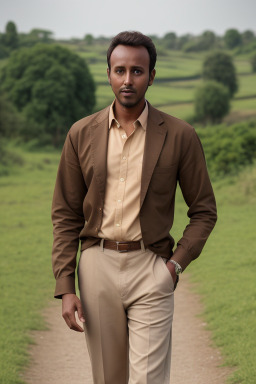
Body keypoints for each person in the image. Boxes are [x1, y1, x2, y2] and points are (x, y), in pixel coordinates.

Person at [51, 31, 217, 384]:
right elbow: (66, 213)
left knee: (149, 380)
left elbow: (204, 209)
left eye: (137, 71)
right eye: (120, 70)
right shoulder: (81, 134)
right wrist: (66, 285)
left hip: (151, 268)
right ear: (108, 73)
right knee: (109, 378)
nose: (128, 80)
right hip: (97, 267)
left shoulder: (180, 134)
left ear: (152, 76)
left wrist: (174, 266)